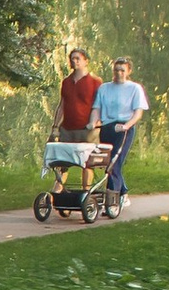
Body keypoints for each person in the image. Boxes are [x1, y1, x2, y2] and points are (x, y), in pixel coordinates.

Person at [93, 59, 148, 208]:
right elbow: (97, 108)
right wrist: (92, 123)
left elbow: (138, 112)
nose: (119, 73)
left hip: (124, 128)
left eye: (122, 70)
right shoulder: (104, 88)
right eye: (116, 70)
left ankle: (112, 199)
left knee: (114, 163)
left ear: (128, 71)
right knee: (108, 162)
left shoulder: (134, 89)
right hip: (107, 128)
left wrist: (126, 126)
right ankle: (123, 193)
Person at [57, 47, 100, 139]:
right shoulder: (66, 82)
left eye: (77, 58)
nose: (74, 61)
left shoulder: (95, 82)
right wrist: (55, 126)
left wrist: (93, 123)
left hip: (86, 129)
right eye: (72, 59)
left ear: (86, 61)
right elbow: (62, 105)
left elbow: (98, 106)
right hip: (66, 130)